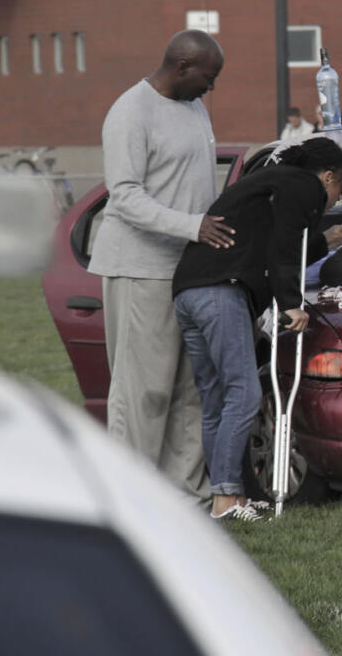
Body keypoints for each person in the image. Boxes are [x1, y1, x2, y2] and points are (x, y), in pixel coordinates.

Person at [172, 137, 342, 520]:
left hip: (190, 290)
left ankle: (226, 496)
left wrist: (325, 240)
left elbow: (269, 243)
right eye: (341, 188)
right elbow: (285, 246)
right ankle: (225, 498)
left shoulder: (272, 182)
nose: (336, 200)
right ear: (327, 177)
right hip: (222, 292)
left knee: (216, 399)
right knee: (244, 392)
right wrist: (291, 304)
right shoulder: (302, 184)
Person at [88, 29, 234, 506]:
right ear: (182, 67)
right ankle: (130, 499)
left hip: (187, 271)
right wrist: (195, 226)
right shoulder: (131, 111)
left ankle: (186, 499)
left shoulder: (193, 108)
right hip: (139, 267)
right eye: (207, 78)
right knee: (142, 391)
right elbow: (125, 196)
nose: (210, 89)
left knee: (189, 387)